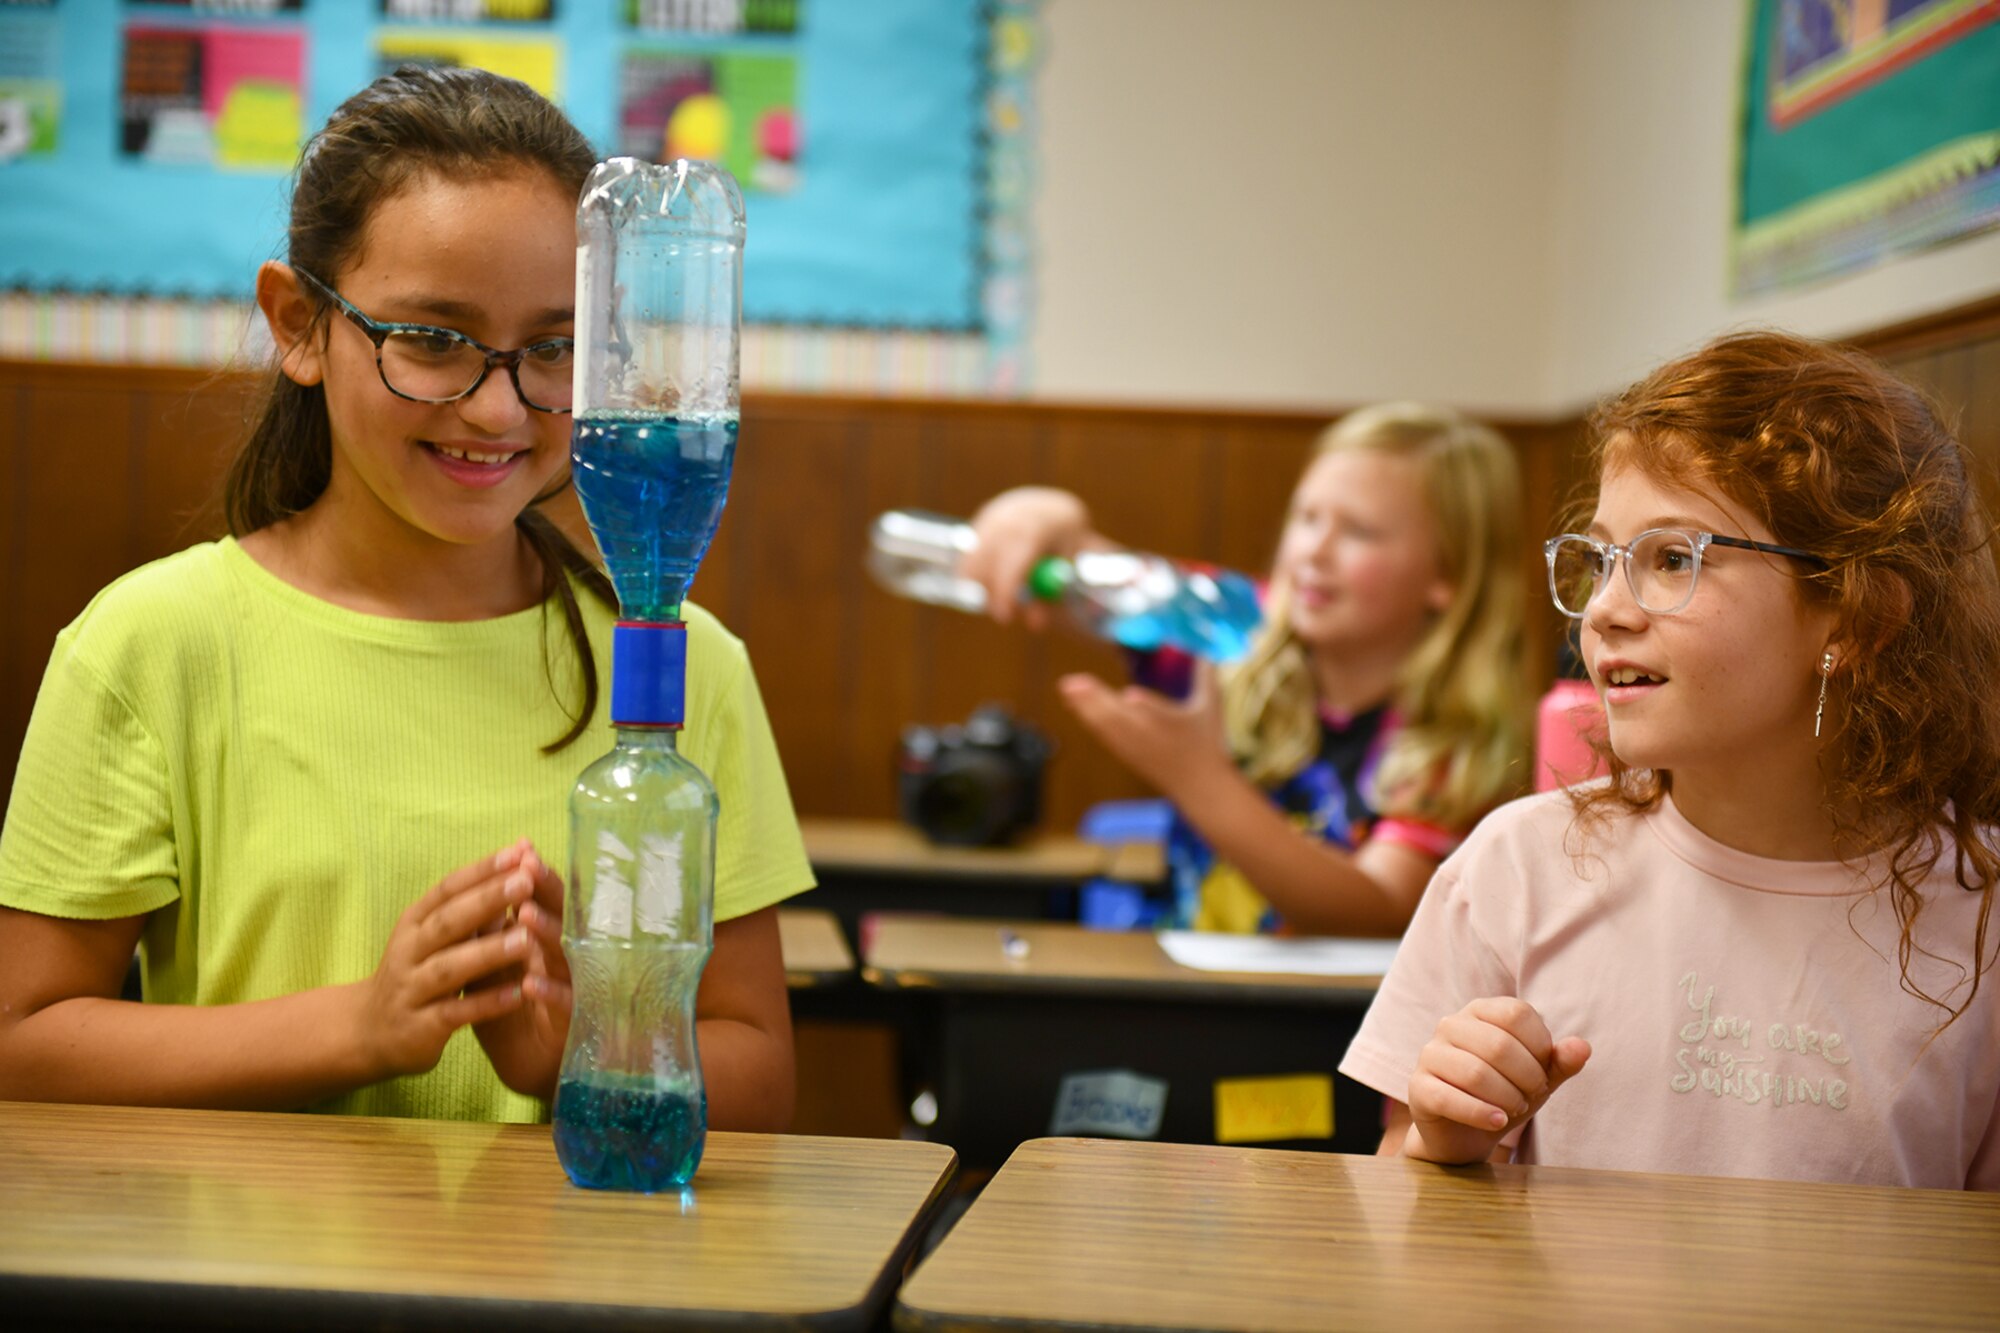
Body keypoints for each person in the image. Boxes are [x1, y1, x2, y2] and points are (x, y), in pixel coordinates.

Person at [0, 67, 810, 1129]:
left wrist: (583, 1048)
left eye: (555, 348)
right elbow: (25, 1041)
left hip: (568, 1286)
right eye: (431, 340)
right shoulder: (151, 643)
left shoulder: (680, 663)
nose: (496, 406)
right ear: (298, 323)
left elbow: (760, 1073)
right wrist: (361, 1024)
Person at [1341, 331, 2000, 1189]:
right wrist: (1442, 1140)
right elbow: (1394, 1198)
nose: (1606, 610)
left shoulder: (1979, 924)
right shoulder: (1514, 872)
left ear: (1853, 619)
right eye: (1603, 559)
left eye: (1673, 559)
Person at [963, 403, 1531, 936]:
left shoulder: (1454, 735)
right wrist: (1047, 517)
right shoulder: (1232, 625)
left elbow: (1380, 906)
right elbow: (1086, 572)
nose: (1314, 550)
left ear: (1448, 575)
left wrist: (1199, 780)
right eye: (1307, 518)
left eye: (1358, 531)